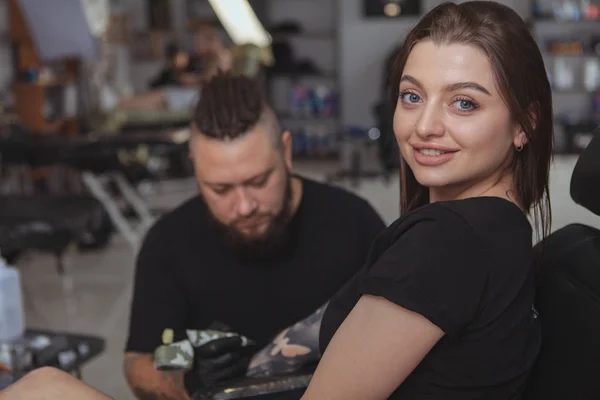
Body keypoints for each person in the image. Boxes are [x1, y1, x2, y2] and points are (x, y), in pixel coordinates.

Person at [294, 1, 553, 398]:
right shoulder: (501, 229)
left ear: (524, 124)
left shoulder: (448, 243)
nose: (425, 126)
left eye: (464, 102)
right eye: (412, 96)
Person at [123, 71, 386, 399]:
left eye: (259, 182)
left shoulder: (353, 222)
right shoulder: (168, 243)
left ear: (286, 152)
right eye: (220, 189)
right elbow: (140, 361)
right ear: (195, 168)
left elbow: (399, 341)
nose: (244, 206)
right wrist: (187, 360)